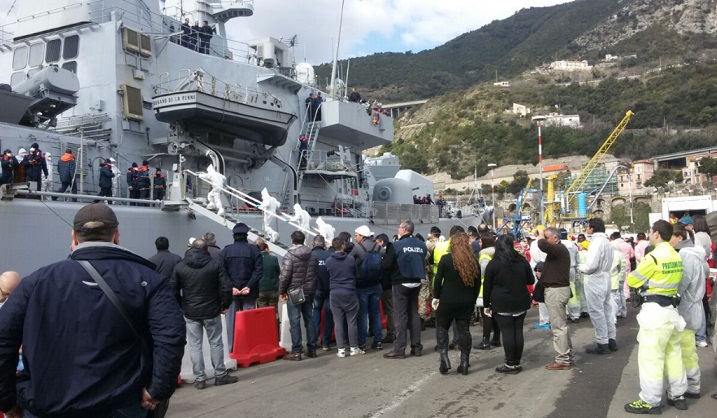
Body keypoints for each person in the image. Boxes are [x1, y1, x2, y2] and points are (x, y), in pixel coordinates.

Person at [0, 203, 185, 417]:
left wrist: (6, 399)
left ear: (74, 237)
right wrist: (157, 389)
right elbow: (171, 336)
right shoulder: (149, 280)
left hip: (46, 405)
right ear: (116, 235)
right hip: (120, 404)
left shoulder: (35, 282)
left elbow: (4, 338)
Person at [624, 220, 687, 415]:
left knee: (651, 358)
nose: (650, 234)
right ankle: (678, 394)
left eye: (651, 232)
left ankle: (650, 401)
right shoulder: (676, 256)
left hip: (654, 313)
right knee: (674, 355)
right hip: (671, 312)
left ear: (657, 234)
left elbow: (633, 279)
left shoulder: (654, 258)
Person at [170, 238, 237, 390]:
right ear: (206, 250)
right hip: (212, 310)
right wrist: (225, 304)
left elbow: (172, 288)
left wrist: (181, 304)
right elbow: (226, 287)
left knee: (195, 345)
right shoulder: (214, 264)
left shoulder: (180, 266)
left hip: (190, 311)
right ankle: (220, 375)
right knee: (215, 342)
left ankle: (200, 379)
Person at [483, 235, 535, 374]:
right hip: (520, 300)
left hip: (502, 302)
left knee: (507, 333)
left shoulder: (494, 264)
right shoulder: (522, 261)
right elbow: (530, 280)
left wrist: (486, 305)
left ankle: (510, 363)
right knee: (518, 331)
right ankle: (516, 361)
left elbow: (487, 286)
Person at [433, 232, 480, 375]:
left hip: (447, 299)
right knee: (464, 330)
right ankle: (464, 362)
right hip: (466, 301)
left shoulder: (446, 259)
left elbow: (438, 280)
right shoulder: (472, 260)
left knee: (442, 327)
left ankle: (444, 358)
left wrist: (437, 296)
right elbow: (477, 283)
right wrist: (472, 298)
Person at [670, 223, 707, 400]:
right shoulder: (697, 254)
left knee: (685, 351)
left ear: (679, 238)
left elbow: (681, 284)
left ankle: (691, 385)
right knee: (688, 349)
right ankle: (693, 384)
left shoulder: (686, 256)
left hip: (687, 308)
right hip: (695, 306)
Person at [383, 220, 427, 359]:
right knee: (413, 313)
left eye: (399, 227)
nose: (398, 229)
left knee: (400, 316)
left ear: (403, 230)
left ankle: (399, 349)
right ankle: (417, 347)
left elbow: (386, 265)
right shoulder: (421, 245)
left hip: (400, 282)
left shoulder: (395, 245)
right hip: (416, 281)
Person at [220, 222, 263, 353]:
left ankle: (231, 349)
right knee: (248, 321)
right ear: (246, 235)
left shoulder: (226, 250)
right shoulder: (254, 250)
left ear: (234, 236)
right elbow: (259, 271)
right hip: (249, 292)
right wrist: (249, 286)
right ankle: (249, 348)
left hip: (232, 292)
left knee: (230, 322)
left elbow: (222, 272)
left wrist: (231, 287)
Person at [578, 218, 617, 354]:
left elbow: (591, 266)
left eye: (587, 226)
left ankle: (602, 342)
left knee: (597, 311)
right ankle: (611, 339)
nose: (586, 229)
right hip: (606, 276)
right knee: (606, 309)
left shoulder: (596, 242)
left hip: (595, 278)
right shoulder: (606, 241)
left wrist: (580, 267)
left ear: (592, 228)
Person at [278, 231, 319, 361]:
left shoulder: (289, 256)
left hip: (295, 291)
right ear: (304, 240)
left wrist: (281, 291)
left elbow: (285, 276)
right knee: (309, 319)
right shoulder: (312, 255)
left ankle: (297, 351)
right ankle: (312, 349)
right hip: (309, 291)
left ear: (292, 240)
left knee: (295, 321)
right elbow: (315, 273)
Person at [539, 227, 574, 370]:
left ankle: (563, 359)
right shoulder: (559, 250)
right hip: (556, 290)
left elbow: (542, 245)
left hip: (556, 291)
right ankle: (567, 356)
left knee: (558, 327)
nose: (545, 240)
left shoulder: (559, 249)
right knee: (561, 325)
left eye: (548, 237)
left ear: (555, 238)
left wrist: (541, 234)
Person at [326, 237, 363, 357]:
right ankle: (354, 347)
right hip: (349, 291)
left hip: (335, 292)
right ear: (343, 246)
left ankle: (340, 349)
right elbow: (356, 274)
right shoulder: (351, 260)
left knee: (338, 322)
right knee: (352, 321)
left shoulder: (329, 261)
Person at [350, 225, 384, 350]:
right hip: (376, 284)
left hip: (362, 285)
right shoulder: (379, 247)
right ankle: (378, 340)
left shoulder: (357, 248)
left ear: (362, 236)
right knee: (376, 313)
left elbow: (349, 262)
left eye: (356, 235)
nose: (355, 238)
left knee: (362, 314)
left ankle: (362, 342)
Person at [476, 234, 501, 350]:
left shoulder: (484, 255)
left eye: (481, 242)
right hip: (495, 288)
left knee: (486, 314)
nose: (479, 243)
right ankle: (496, 338)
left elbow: (482, 272)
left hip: (484, 289)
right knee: (494, 315)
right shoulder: (497, 254)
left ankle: (485, 340)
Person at [691, 215, 711, 347]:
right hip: (706, 266)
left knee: (697, 302)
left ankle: (700, 334)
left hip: (699, 266)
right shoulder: (707, 236)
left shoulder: (697, 236)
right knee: (702, 299)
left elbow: (696, 252)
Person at [311, 235, 334, 351]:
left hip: (315, 290)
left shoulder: (310, 256)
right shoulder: (330, 255)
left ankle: (313, 341)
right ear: (324, 245)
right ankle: (326, 342)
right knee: (329, 315)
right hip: (329, 289)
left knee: (315, 313)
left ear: (313, 244)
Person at [375, 233, 395, 343]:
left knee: (389, 310)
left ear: (381, 242)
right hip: (390, 284)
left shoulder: (385, 253)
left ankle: (391, 333)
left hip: (386, 285)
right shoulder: (391, 251)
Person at [530, 226, 550, 329]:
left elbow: (536, 258)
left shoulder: (535, 243)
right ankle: (548, 319)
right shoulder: (548, 242)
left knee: (541, 295)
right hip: (548, 269)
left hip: (539, 270)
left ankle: (544, 320)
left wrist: (540, 268)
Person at [256, 238, 280, 310]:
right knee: (273, 310)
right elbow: (278, 272)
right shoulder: (273, 258)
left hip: (260, 289)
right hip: (273, 288)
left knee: (262, 312)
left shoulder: (255, 259)